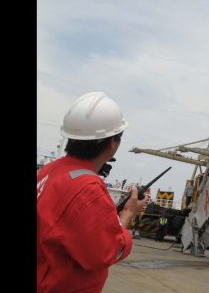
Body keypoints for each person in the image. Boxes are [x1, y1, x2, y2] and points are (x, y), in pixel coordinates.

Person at [37, 92, 151, 293]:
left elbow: (64, 225)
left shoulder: (50, 170)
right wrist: (128, 214)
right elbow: (107, 253)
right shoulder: (89, 189)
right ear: (113, 143)